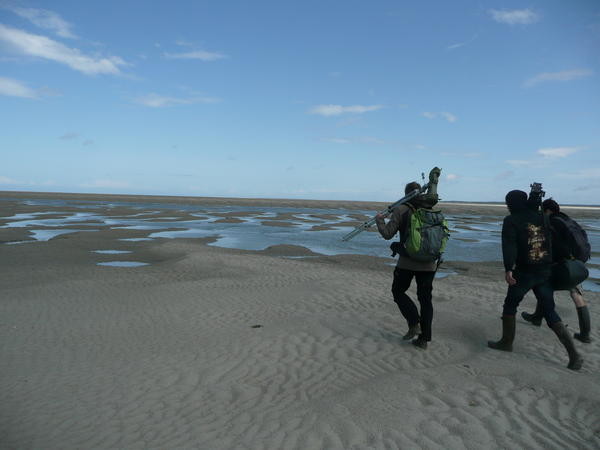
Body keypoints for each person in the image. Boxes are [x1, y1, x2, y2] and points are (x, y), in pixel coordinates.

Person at [488, 190, 583, 370]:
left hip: (524, 272)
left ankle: (506, 342)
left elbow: (509, 246)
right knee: (550, 311)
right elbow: (551, 241)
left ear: (511, 203)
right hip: (544, 271)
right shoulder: (542, 217)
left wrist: (508, 269)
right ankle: (574, 355)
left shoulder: (511, 220)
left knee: (510, 305)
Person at [375, 181, 438, 350]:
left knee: (398, 291)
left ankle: (413, 323)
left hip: (407, 262)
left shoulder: (401, 209)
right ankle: (424, 339)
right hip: (429, 263)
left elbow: (388, 234)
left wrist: (379, 221)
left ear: (406, 194)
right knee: (425, 300)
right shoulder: (430, 209)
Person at [521, 198, 592, 343]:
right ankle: (585, 333)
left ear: (547, 210)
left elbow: (553, 245)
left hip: (563, 263)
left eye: (543, 210)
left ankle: (537, 318)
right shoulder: (569, 221)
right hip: (577, 263)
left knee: (544, 286)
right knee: (574, 292)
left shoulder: (552, 222)